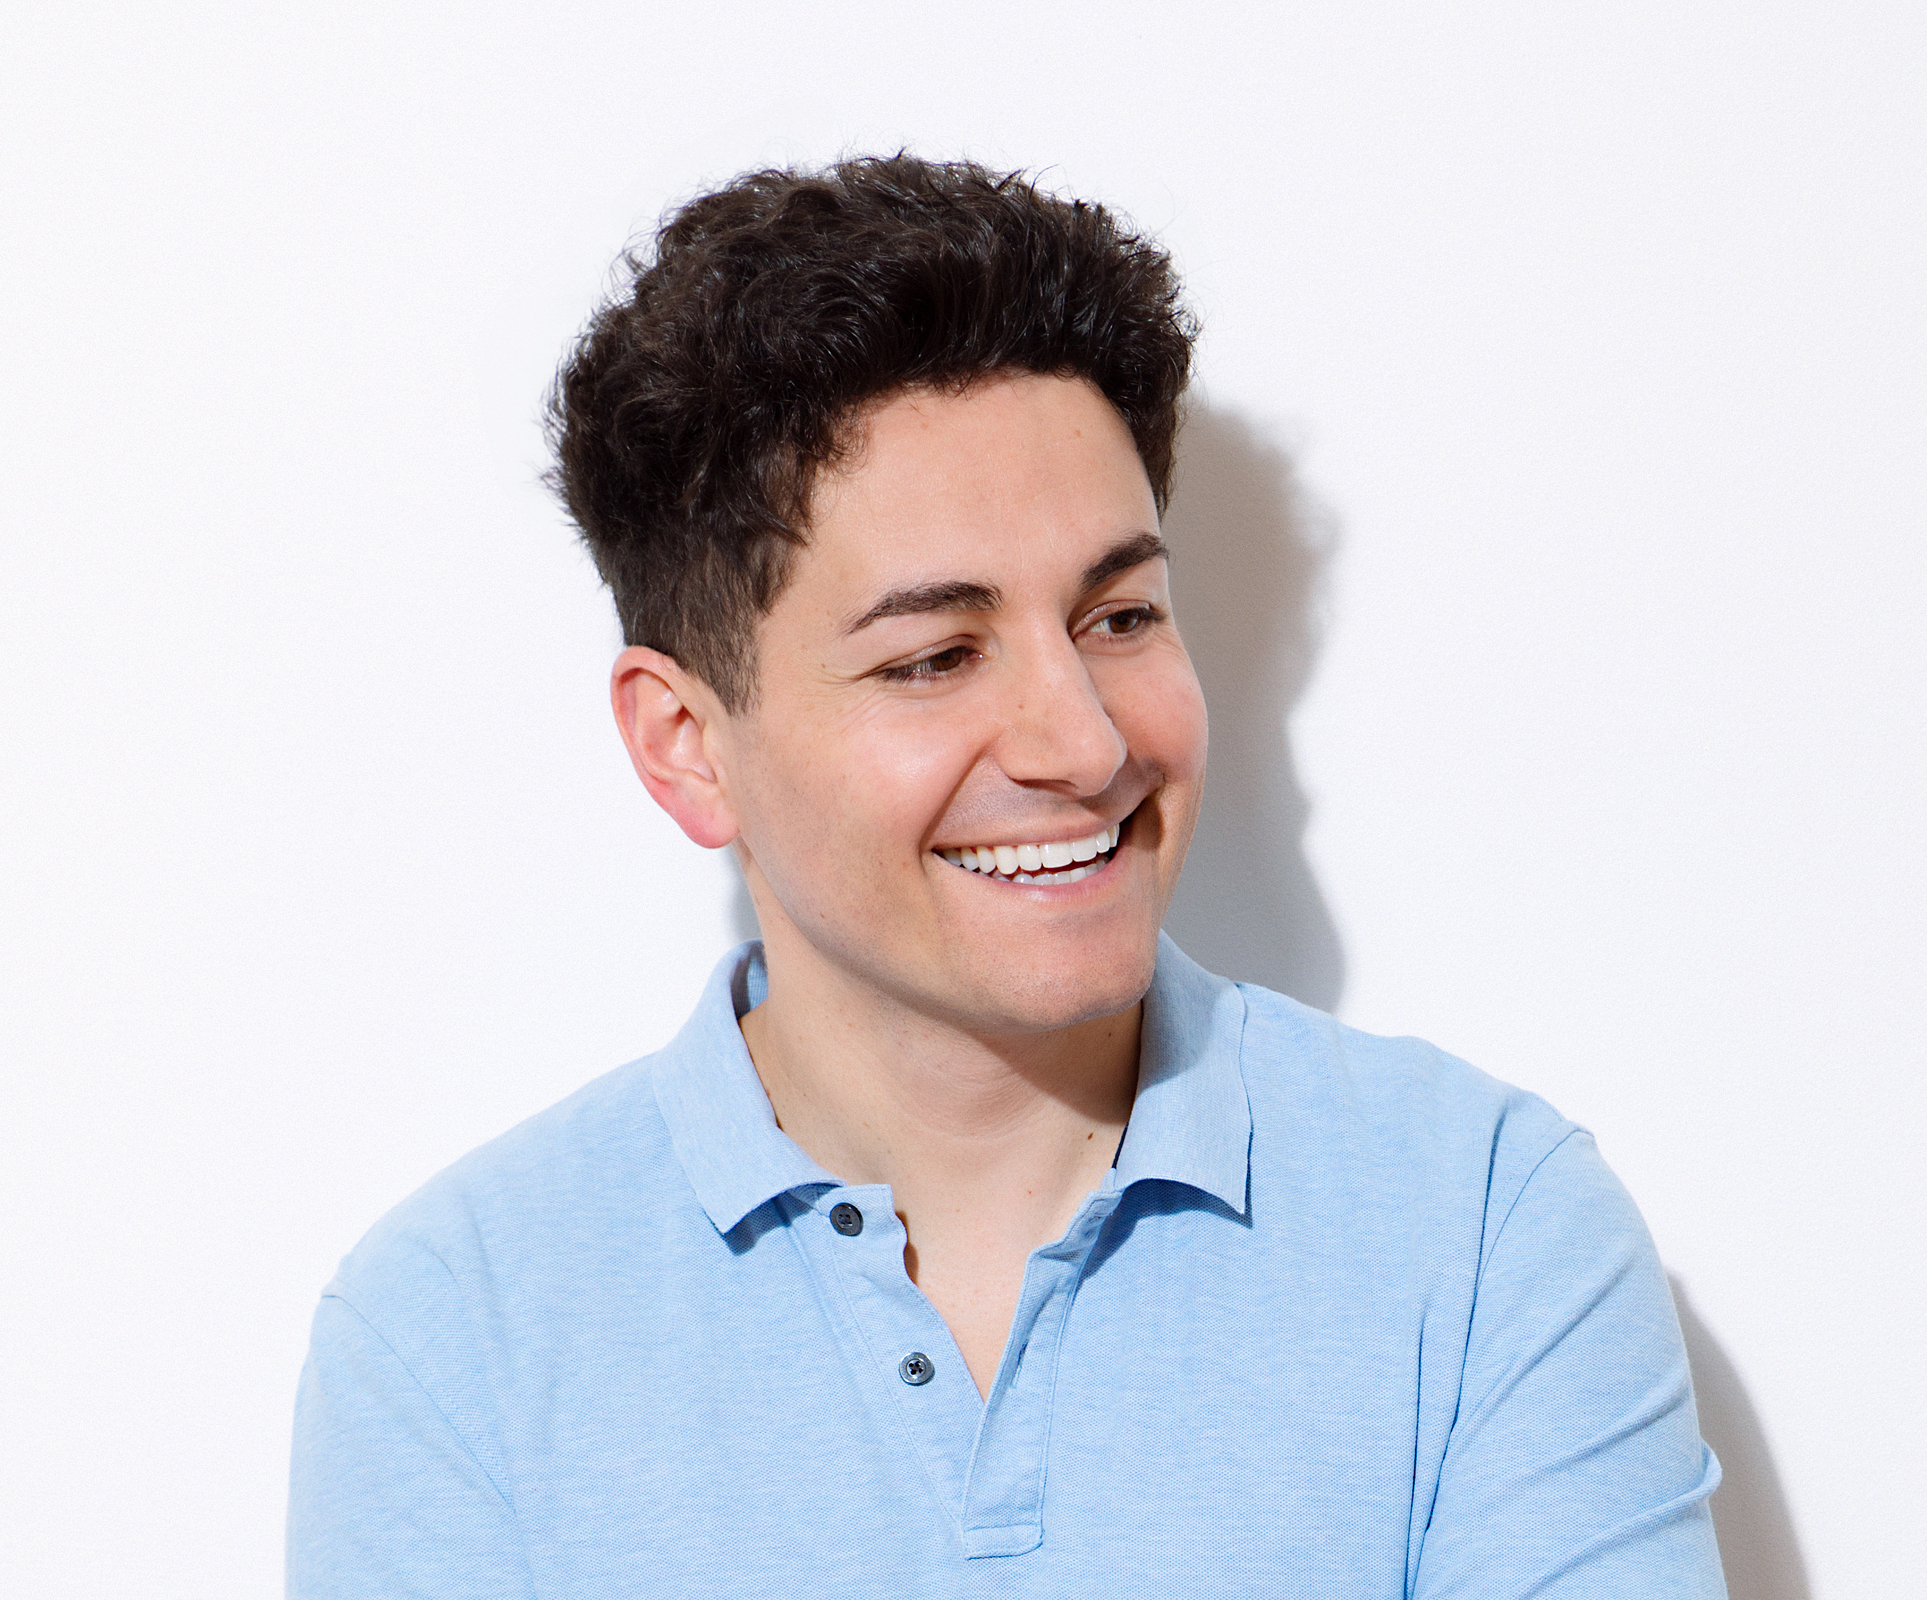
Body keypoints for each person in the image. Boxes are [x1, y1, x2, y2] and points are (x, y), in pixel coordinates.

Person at [287, 155, 1727, 1597]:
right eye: (935, 658)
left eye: (1121, 616)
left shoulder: (1482, 1230)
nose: (1084, 741)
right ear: (686, 744)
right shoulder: (456, 1342)